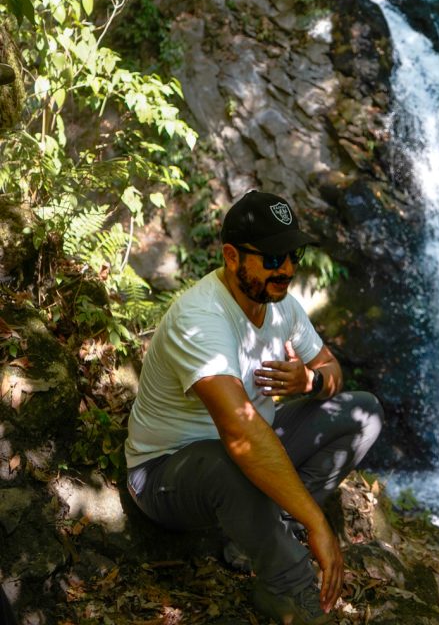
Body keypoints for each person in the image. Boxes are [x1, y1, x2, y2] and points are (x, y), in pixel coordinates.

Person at [125, 190, 383, 625]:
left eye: (293, 254)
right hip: (165, 473)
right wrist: (317, 521)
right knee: (232, 461)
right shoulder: (200, 318)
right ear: (231, 256)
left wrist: (311, 381)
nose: (286, 269)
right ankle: (287, 585)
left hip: (247, 450)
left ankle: (255, 536)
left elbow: (331, 368)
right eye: (272, 257)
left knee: (364, 413)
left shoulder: (281, 304)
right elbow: (242, 438)